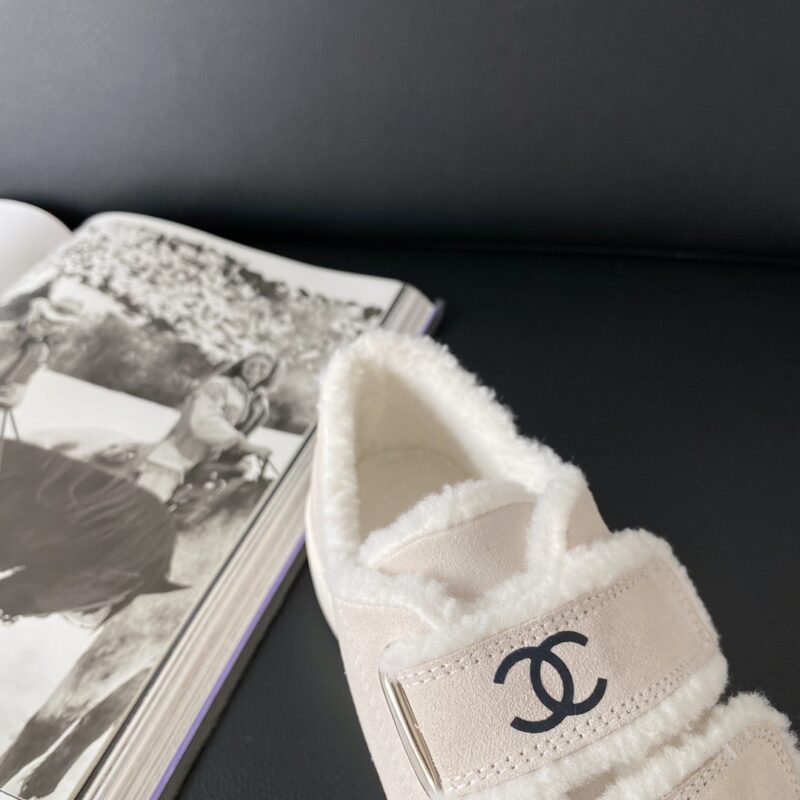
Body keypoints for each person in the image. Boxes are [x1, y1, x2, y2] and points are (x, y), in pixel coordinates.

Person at [137, 350, 279, 503]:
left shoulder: (258, 402)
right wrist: (242, 442)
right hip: (179, 451)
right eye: (252, 364)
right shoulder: (219, 385)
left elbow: (244, 430)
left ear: (270, 374)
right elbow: (204, 420)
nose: (256, 369)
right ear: (242, 364)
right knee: (151, 498)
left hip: (207, 461)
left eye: (263, 367)